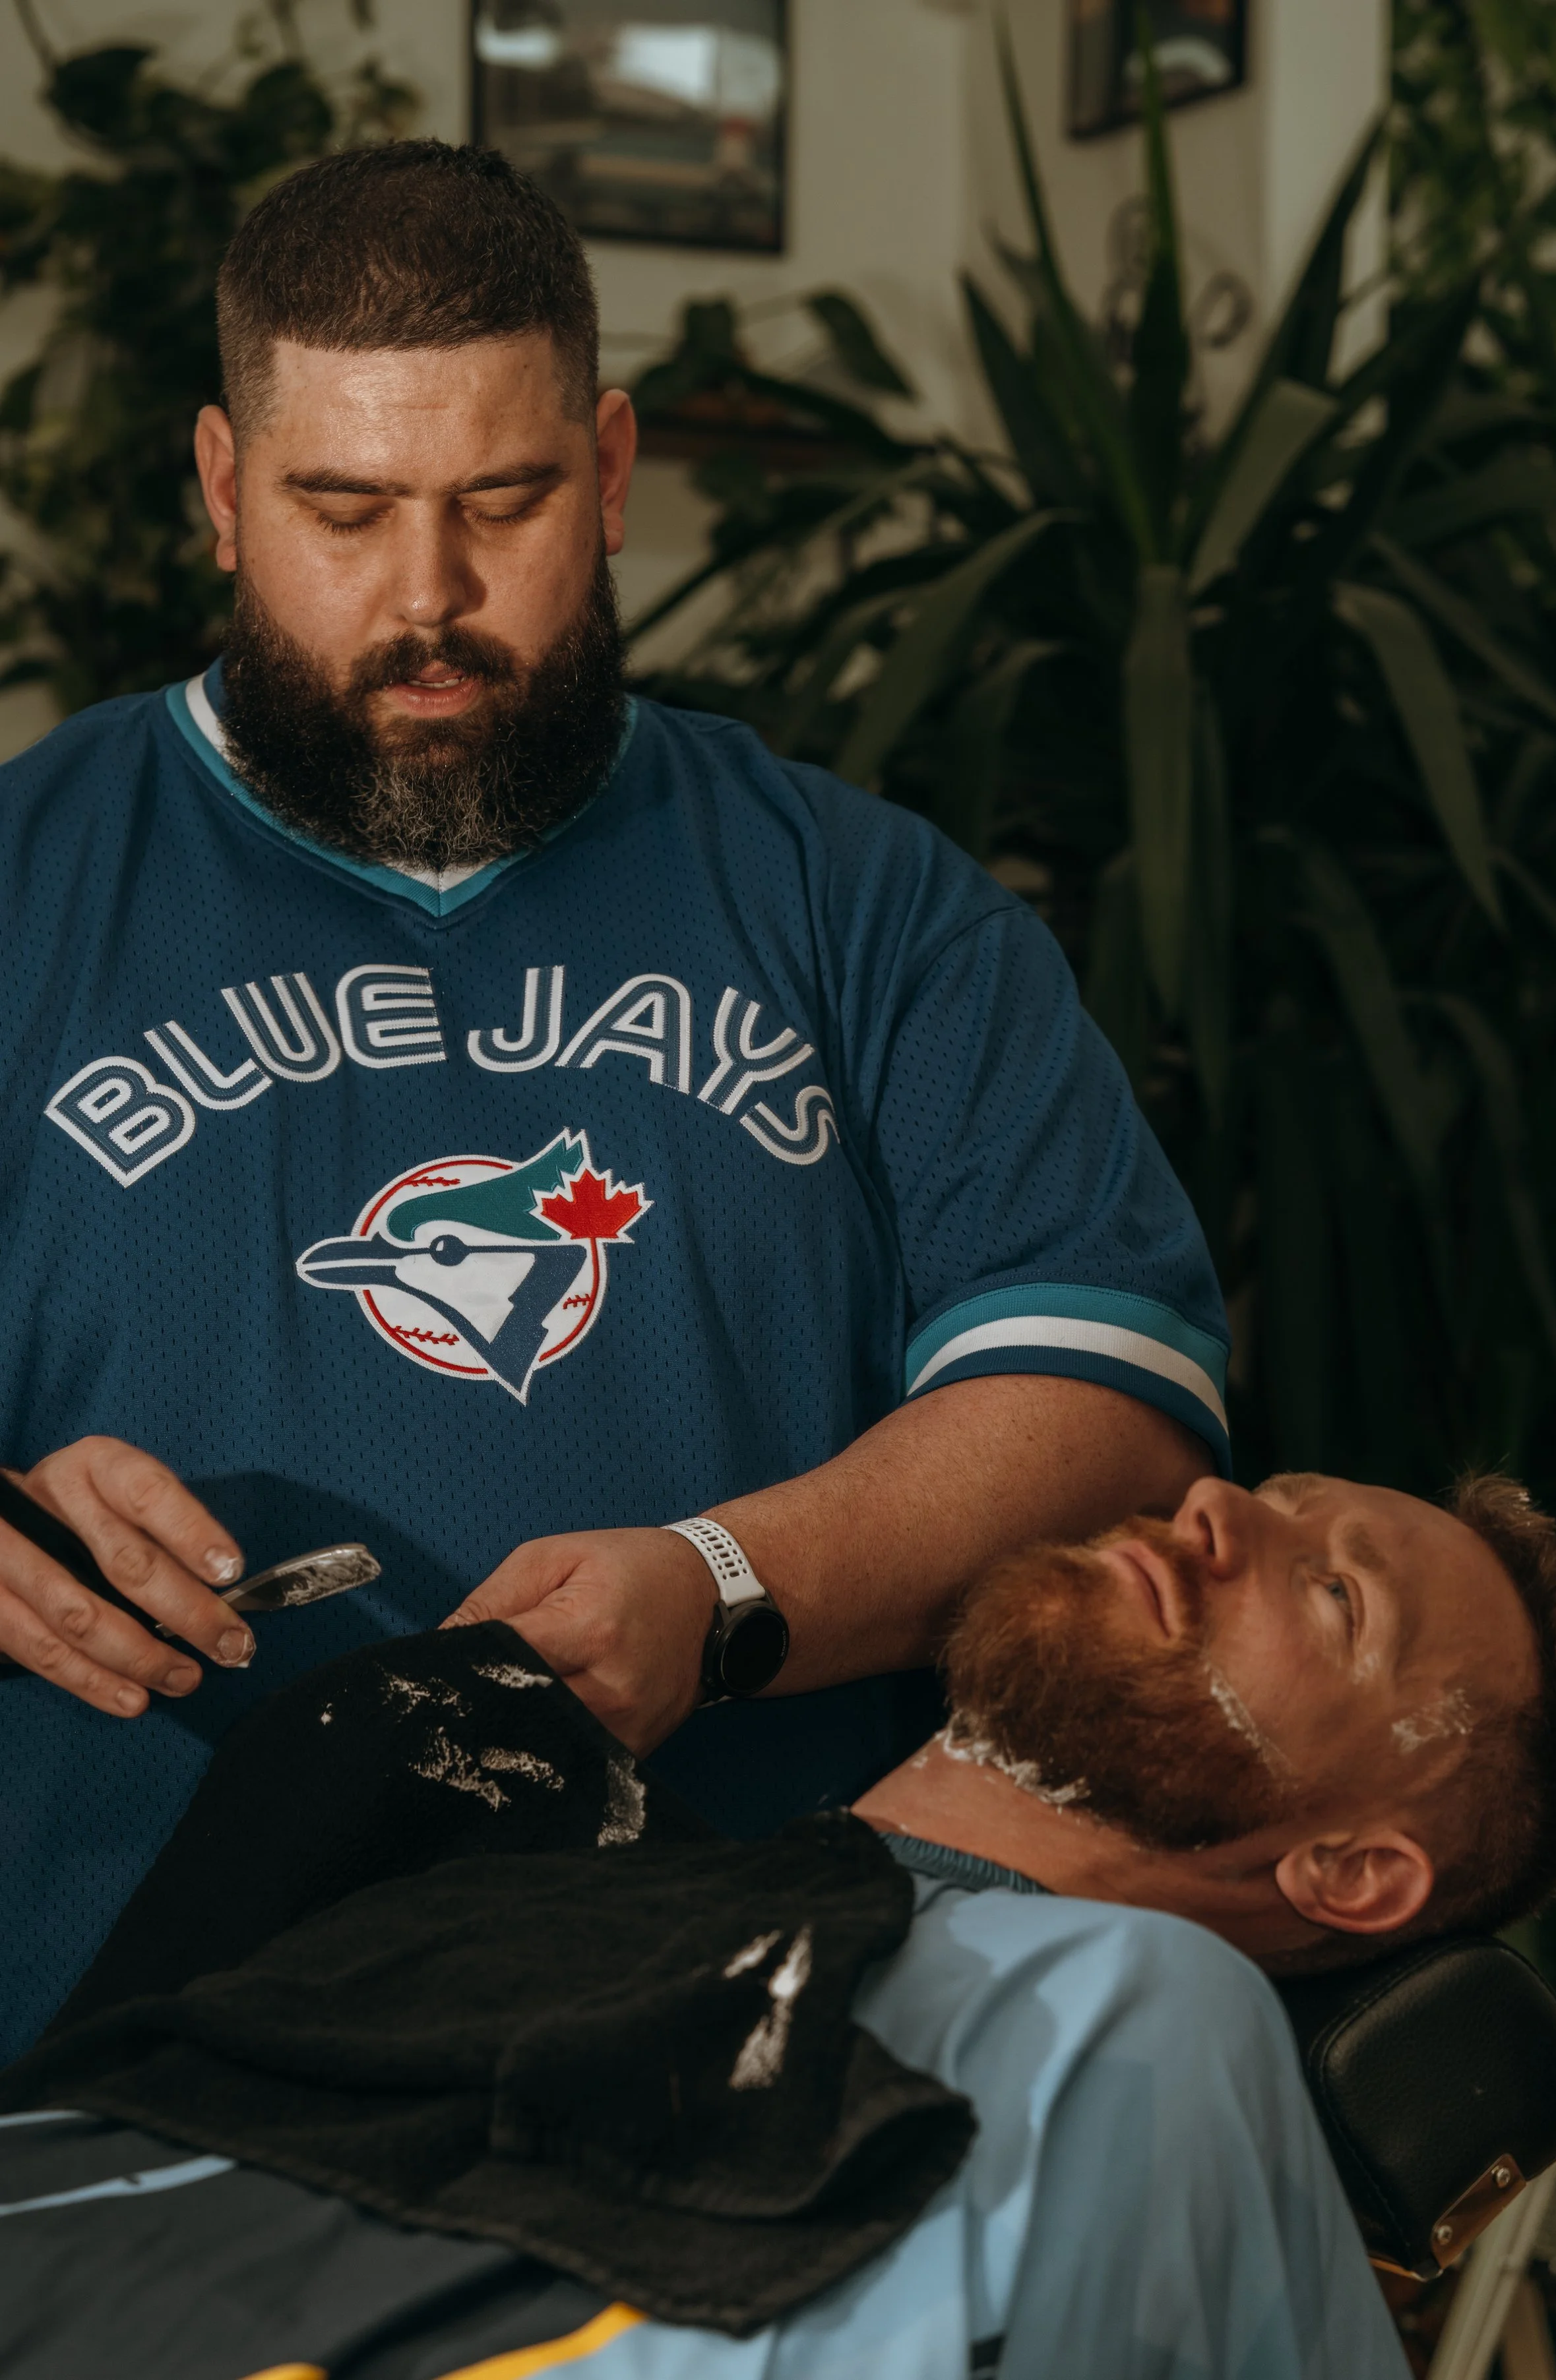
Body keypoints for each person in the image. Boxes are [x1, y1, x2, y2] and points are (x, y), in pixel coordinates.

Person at [0, 138, 1229, 2060]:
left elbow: (1111, 1404)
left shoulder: (865, 904)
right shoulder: (20, 881)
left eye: (506, 499)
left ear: (617, 472)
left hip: (752, 2047)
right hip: (109, 2069)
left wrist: (730, 1588)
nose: (431, 598)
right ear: (224, 495)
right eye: (345, 510)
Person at [0, 1467, 1556, 2380]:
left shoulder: (1135, 2020)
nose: (1210, 1508)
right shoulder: (453, 1776)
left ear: (1351, 1875)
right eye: (1260, 1492)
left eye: (1334, 1596)